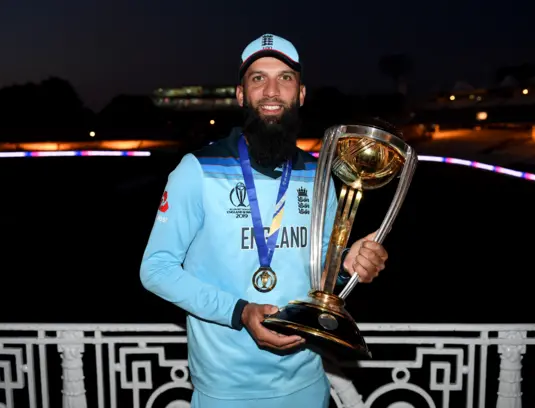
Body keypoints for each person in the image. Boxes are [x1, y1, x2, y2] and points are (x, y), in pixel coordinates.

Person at [140, 33, 389, 408]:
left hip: (307, 386)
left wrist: (348, 266)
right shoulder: (197, 170)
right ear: (241, 95)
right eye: (258, 78)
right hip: (224, 393)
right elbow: (156, 269)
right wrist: (239, 312)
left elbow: (323, 272)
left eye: (285, 78)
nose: (272, 90)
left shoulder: (321, 175)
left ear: (301, 93)